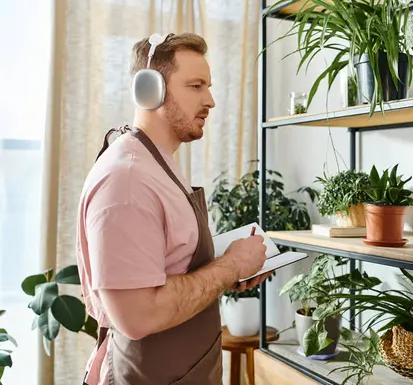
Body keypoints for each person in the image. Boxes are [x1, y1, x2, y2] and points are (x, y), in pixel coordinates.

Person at [76, 32, 271, 385]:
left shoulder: (157, 164)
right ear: (150, 90)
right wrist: (229, 267)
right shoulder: (129, 179)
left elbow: (170, 263)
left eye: (208, 86)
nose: (210, 100)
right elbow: (136, 317)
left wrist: (223, 268)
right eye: (195, 86)